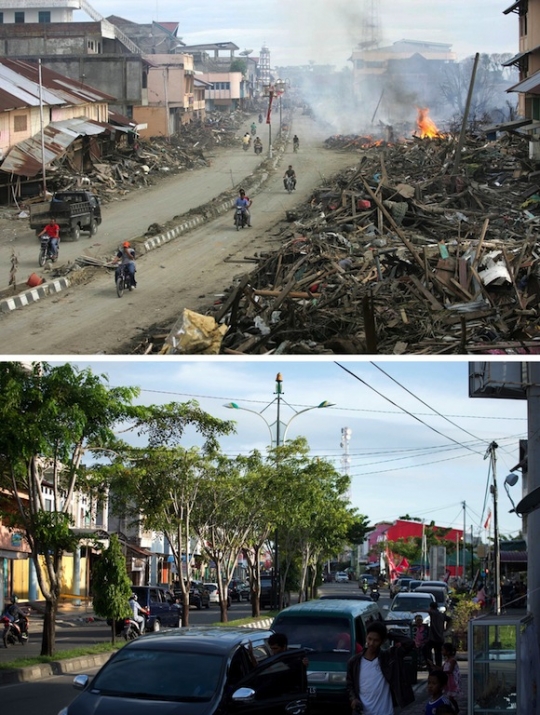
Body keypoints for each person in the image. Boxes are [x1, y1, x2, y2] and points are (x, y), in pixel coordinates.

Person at [346, 621, 415, 715]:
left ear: (382, 641)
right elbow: (350, 685)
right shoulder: (355, 662)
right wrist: (353, 699)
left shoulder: (389, 657)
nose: (371, 643)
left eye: (376, 640)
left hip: (385, 712)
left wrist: (390, 634)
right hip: (363, 712)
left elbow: (409, 643)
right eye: (369, 639)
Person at [423, 602, 451, 669]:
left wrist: (415, 610)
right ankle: (438, 667)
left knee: (426, 649)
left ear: (431, 607)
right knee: (438, 654)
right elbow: (449, 619)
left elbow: (429, 611)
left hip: (433, 637)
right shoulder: (442, 615)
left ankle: (430, 665)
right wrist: (446, 628)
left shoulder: (433, 613)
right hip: (440, 637)